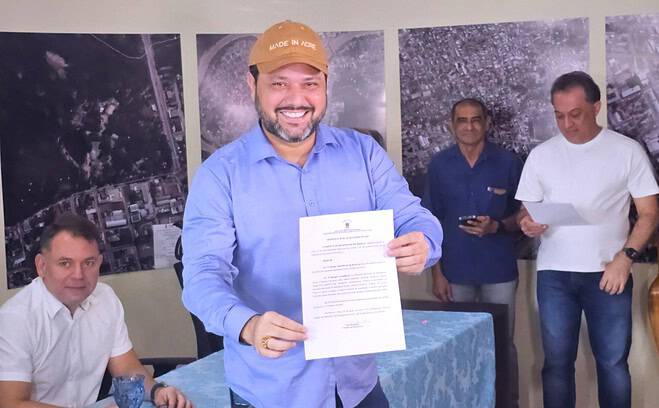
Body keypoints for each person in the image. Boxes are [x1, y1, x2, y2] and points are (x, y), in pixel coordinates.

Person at [181, 20, 442, 408]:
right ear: (252, 85)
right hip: (272, 391)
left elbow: (413, 217)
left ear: (325, 86)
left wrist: (424, 242)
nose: (296, 98)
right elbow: (202, 276)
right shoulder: (220, 175)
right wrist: (247, 325)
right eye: (279, 83)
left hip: (356, 385)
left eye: (309, 83)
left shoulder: (364, 154)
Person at [515, 71, 659, 408]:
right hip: (554, 274)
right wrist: (527, 223)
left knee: (612, 364)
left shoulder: (626, 151)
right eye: (559, 115)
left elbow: (649, 213)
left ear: (596, 107)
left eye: (575, 114)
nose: (567, 124)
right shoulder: (541, 155)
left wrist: (625, 259)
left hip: (609, 272)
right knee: (556, 366)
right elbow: (526, 211)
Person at [0, 213, 193, 408]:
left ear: (99, 263)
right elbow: (10, 403)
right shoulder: (16, 319)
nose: (78, 275)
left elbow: (125, 367)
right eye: (65, 263)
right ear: (42, 266)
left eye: (88, 263)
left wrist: (157, 390)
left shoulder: (105, 298)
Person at [422, 97, 522, 406]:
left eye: (476, 119)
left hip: (499, 270)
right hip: (454, 271)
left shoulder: (508, 163)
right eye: (462, 120)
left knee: (502, 343)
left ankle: (507, 403)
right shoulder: (439, 165)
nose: (469, 126)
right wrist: (437, 274)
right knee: (456, 345)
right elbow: (430, 222)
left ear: (486, 123)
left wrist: (498, 226)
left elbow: (525, 215)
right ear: (452, 126)